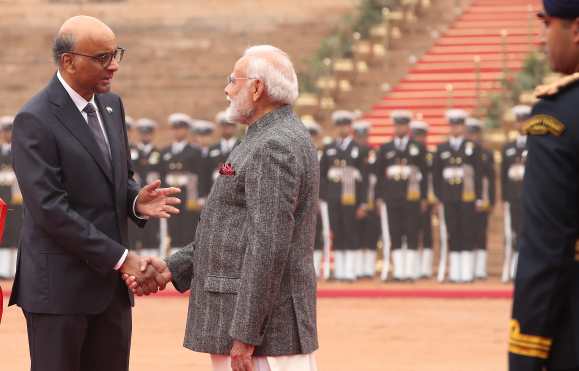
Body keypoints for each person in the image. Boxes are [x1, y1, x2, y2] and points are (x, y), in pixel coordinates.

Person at [126, 45, 320, 371]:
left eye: (233, 80)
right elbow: (230, 231)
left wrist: (245, 334)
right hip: (255, 326)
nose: (227, 90)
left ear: (257, 88)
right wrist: (173, 267)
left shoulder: (273, 145)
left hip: (262, 335)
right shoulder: (266, 137)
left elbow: (268, 244)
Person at [8, 16, 178, 371]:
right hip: (59, 292)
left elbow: (117, 178)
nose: (113, 65)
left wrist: (134, 200)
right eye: (102, 57)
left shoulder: (112, 106)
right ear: (68, 61)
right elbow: (50, 209)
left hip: (110, 292)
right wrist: (122, 258)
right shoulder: (35, 119)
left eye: (116, 54)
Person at [509, 2, 579, 369]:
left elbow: (547, 247)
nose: (541, 40)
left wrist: (525, 351)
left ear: (576, 30)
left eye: (547, 25)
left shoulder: (559, 116)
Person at [375, 110, 427, 281]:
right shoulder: (385, 148)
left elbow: (425, 175)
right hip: (392, 196)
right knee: (395, 232)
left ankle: (410, 272)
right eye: (397, 125)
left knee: (411, 232)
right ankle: (398, 271)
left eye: (403, 125)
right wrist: (379, 197)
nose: (400, 128)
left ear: (408, 127)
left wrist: (424, 197)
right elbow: (379, 176)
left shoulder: (418, 148)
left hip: (412, 196)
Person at [433, 109, 482, 283]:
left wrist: (479, 197)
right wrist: (439, 197)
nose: (456, 128)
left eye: (459, 125)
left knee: (467, 232)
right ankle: (455, 272)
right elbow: (437, 175)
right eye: (453, 125)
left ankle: (467, 272)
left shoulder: (472, 147)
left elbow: (478, 174)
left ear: (463, 127)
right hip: (449, 197)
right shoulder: (441, 148)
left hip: (467, 197)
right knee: (453, 232)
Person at [319, 110, 367, 282]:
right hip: (333, 197)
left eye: (346, 125)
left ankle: (350, 271)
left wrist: (363, 203)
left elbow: (364, 178)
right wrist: (324, 196)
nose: (343, 128)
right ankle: (340, 270)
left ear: (350, 127)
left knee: (351, 231)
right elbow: (322, 174)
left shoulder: (358, 149)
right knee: (337, 232)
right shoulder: (330, 148)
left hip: (351, 197)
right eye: (340, 125)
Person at [161, 113, 202, 252]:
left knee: (188, 228)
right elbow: (161, 176)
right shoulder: (165, 152)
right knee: (172, 229)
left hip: (188, 195)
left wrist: (199, 197)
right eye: (175, 128)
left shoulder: (194, 151)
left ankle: (188, 257)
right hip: (170, 194)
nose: (177, 131)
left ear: (186, 130)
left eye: (181, 128)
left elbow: (200, 175)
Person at [501, 105, 530, 282]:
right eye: (519, 121)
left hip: (532, 198)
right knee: (514, 232)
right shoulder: (508, 147)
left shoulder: (537, 144)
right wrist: (505, 197)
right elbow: (504, 175)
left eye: (524, 120)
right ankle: (513, 268)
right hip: (513, 197)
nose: (521, 124)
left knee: (529, 231)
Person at [465, 117, 496, 280]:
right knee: (467, 233)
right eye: (470, 134)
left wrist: (490, 200)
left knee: (481, 233)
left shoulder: (486, 153)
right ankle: (468, 268)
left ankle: (480, 268)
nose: (472, 137)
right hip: (465, 198)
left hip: (482, 197)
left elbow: (490, 179)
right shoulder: (463, 152)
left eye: (475, 134)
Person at [353, 119, 380, 279]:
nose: (362, 140)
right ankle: (357, 268)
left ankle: (368, 269)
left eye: (365, 136)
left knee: (371, 235)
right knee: (356, 234)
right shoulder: (351, 153)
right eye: (359, 136)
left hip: (370, 197)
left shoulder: (373, 152)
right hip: (353, 199)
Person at [133, 118, 164, 255]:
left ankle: (151, 256)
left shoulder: (159, 154)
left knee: (152, 230)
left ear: (152, 134)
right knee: (134, 231)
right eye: (143, 133)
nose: (145, 136)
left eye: (148, 133)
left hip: (153, 197)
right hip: (135, 197)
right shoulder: (131, 152)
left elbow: (163, 174)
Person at [410, 119, 435, 278]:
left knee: (427, 232)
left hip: (428, 196)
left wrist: (427, 198)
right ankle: (414, 266)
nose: (420, 139)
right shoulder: (411, 152)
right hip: (412, 196)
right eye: (417, 135)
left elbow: (430, 177)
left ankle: (425, 268)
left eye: (422, 136)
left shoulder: (429, 153)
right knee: (413, 230)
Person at [202, 111, 241, 196]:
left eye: (230, 125)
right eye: (224, 125)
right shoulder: (212, 149)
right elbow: (206, 172)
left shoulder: (242, 145)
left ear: (235, 127)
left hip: (237, 191)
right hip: (214, 191)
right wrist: (204, 194)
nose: (227, 128)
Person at [0, 116, 20, 279]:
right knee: (3, 233)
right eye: (6, 130)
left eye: (11, 130)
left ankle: (13, 270)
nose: (9, 134)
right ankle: (2, 271)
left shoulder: (20, 151)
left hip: (17, 201)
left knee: (16, 233)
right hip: (1, 201)